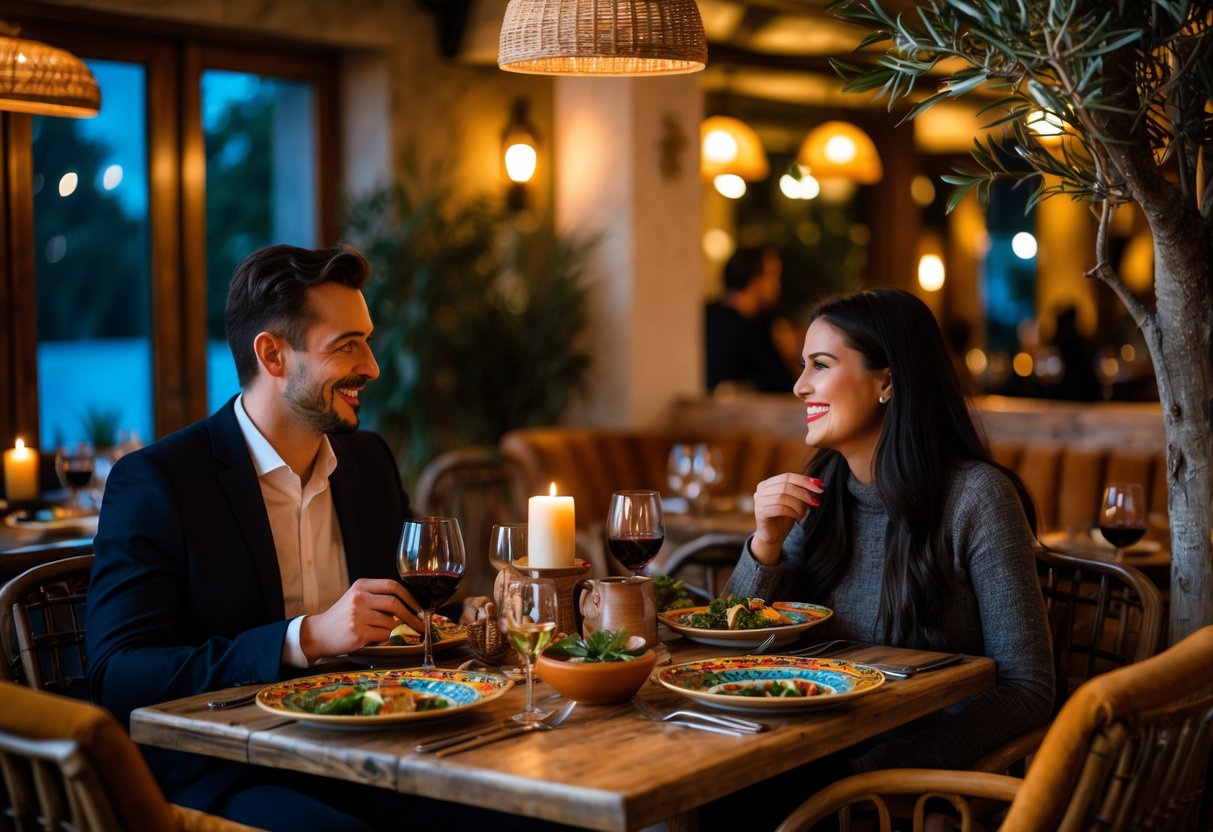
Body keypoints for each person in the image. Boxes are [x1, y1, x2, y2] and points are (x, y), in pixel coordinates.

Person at [84, 244, 516, 831]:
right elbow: (119, 674)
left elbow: (415, 604)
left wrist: (485, 616)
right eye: (346, 345)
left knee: (530, 808)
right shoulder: (158, 482)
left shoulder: (367, 461)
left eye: (367, 340)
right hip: (224, 767)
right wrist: (303, 638)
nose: (373, 366)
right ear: (272, 354)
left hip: (369, 747)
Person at [715, 289, 1054, 826]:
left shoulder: (975, 498)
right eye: (802, 367)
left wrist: (872, 775)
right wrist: (765, 545)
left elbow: (1027, 691)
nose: (800, 385)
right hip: (809, 753)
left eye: (820, 366)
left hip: (913, 792)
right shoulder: (823, 487)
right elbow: (735, 650)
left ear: (887, 382)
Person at [705, 247, 797, 392]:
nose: (777, 285)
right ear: (755, 280)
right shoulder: (753, 330)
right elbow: (787, 386)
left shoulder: (703, 315)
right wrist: (789, 353)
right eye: (773, 276)